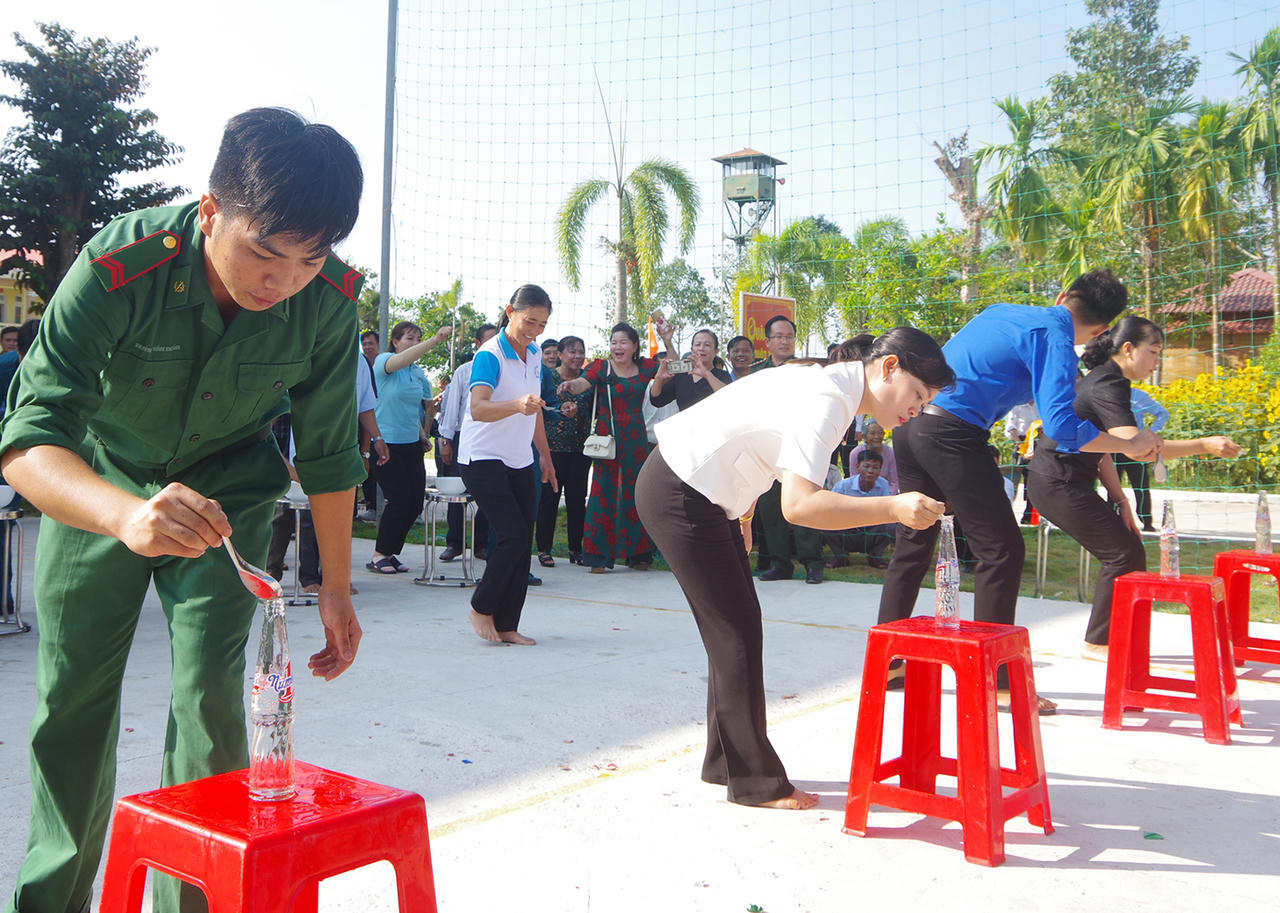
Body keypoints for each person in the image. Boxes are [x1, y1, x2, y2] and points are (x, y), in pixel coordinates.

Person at [0, 107, 366, 913]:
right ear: (210, 210)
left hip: (227, 497)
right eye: (264, 252)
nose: (282, 281)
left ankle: (191, 900)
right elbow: (27, 442)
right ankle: (49, 901)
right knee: (71, 702)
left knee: (210, 699)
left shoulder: (329, 301)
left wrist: (337, 584)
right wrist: (125, 515)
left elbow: (331, 452)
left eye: (308, 260)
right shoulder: (119, 267)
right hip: (102, 477)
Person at [635, 329, 952, 810]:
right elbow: (800, 506)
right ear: (889, 368)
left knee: (737, 629)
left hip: (701, 493)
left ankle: (725, 763)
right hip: (682, 491)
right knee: (735, 634)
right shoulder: (829, 396)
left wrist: (741, 515)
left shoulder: (831, 385)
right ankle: (755, 782)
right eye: (918, 395)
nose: (917, 409)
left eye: (925, 402)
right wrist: (893, 507)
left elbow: (754, 438)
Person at [875, 270, 1162, 714]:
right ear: (1102, 330)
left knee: (914, 541)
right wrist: (1127, 444)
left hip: (911, 424)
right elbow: (1062, 427)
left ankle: (889, 663)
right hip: (952, 433)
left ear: (1062, 294)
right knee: (1002, 550)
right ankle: (996, 681)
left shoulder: (1003, 311)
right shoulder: (1056, 341)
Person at [1027, 316, 1239, 659]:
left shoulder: (1106, 380)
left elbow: (1102, 450)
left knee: (1126, 549)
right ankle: (1100, 642)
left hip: (1062, 480)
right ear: (1128, 349)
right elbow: (1137, 449)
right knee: (1123, 553)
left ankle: (1109, 638)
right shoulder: (1108, 383)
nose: (1157, 361)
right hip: (1057, 481)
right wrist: (1203, 444)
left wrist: (1122, 500)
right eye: (1154, 351)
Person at [458, 284, 557, 645]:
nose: (536, 331)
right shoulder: (490, 354)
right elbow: (478, 409)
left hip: (519, 459)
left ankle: (507, 624)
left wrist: (545, 456)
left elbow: (536, 411)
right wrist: (517, 405)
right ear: (510, 312)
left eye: (542, 324)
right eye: (530, 321)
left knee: (522, 540)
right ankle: (481, 607)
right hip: (482, 457)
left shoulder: (534, 354)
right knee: (511, 535)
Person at [557, 321, 660, 572]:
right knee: (603, 493)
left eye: (623, 342)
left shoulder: (646, 366)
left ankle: (639, 554)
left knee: (636, 492)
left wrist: (667, 338)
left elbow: (676, 367)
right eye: (614, 342)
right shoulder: (601, 367)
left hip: (635, 438)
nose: (617, 347)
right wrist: (571, 386)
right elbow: (583, 382)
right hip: (607, 437)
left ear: (634, 345)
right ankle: (598, 556)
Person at [367, 320, 450, 573]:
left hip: (411, 444)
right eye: (409, 338)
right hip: (385, 443)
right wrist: (435, 340)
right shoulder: (384, 362)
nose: (415, 343)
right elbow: (401, 360)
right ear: (395, 342)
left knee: (414, 503)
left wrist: (422, 434)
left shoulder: (418, 373)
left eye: (418, 339)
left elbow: (416, 409)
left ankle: (390, 552)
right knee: (399, 499)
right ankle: (379, 554)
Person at [751, 315, 825, 584]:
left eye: (789, 336)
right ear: (767, 342)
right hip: (769, 448)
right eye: (779, 337)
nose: (784, 341)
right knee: (771, 507)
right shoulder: (757, 373)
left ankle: (813, 563)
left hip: (801, 444)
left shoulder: (809, 370)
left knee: (805, 503)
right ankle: (779, 563)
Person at [437, 323, 498, 560]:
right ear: (478, 343)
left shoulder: (503, 369)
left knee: (487, 492)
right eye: (488, 340)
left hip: (491, 436)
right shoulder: (464, 371)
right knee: (458, 491)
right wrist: (446, 441)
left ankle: (481, 543)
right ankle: (455, 542)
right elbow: (452, 407)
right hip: (464, 436)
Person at [536, 335, 591, 567]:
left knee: (577, 500)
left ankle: (576, 549)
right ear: (560, 355)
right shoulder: (548, 377)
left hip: (580, 449)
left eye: (581, 352)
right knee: (549, 499)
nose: (577, 356)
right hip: (552, 448)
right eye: (572, 351)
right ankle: (544, 549)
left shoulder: (588, 380)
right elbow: (541, 407)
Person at [1110, 387, 1169, 531]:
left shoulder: (1138, 395)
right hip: (1112, 447)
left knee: (1141, 486)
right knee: (1111, 485)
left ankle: (1146, 521)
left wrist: (1150, 433)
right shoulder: (1106, 393)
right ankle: (1111, 520)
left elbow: (1162, 413)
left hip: (1137, 447)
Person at [825, 451, 895, 568]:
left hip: (872, 531)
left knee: (892, 524)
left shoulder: (883, 485)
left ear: (880, 470)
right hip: (847, 530)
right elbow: (831, 509)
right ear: (857, 467)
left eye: (875, 467)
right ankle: (840, 556)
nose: (871, 471)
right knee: (825, 521)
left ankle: (875, 556)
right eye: (866, 466)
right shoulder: (843, 486)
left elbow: (888, 509)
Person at [649, 328, 732, 412]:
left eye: (707, 345)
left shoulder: (722, 375)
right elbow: (657, 400)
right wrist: (659, 379)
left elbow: (729, 398)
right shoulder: (681, 376)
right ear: (692, 349)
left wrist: (706, 373)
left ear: (716, 351)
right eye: (697, 344)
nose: (701, 348)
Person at [848, 421, 898, 493]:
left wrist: (887, 496)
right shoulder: (855, 453)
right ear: (864, 436)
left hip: (885, 494)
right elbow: (854, 480)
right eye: (872, 433)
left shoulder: (890, 453)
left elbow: (894, 482)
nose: (876, 436)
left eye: (880, 433)